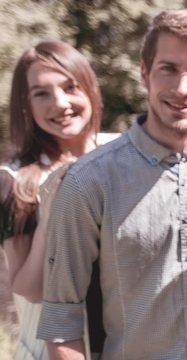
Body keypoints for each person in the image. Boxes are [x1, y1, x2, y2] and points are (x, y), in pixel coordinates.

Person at [36, 9, 187, 360]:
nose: (182, 89)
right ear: (145, 73)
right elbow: (61, 322)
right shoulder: (89, 181)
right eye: (168, 69)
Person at [0, 40, 115, 359]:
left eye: (70, 87)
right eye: (41, 94)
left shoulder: (121, 155)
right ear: (25, 105)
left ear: (91, 89)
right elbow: (29, 289)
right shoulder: (14, 179)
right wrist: (49, 221)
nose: (60, 103)